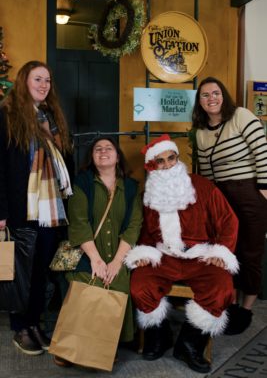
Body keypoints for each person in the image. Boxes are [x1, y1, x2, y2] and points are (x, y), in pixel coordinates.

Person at [125, 134, 239, 374]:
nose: (167, 165)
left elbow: (229, 221)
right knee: (139, 285)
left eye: (171, 158)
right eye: (160, 161)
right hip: (164, 257)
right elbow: (145, 232)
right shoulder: (149, 195)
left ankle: (189, 344)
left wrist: (222, 251)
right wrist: (144, 253)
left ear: (178, 158)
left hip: (200, 256)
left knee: (221, 288)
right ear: (152, 166)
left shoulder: (202, 186)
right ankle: (159, 335)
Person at [0, 60, 73, 356]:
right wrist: (1, 212)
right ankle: (20, 327)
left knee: (41, 269)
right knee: (21, 272)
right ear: (23, 82)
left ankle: (34, 323)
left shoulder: (49, 116)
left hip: (49, 208)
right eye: (37, 79)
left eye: (48, 80)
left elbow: (61, 160)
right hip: (20, 206)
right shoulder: (6, 115)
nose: (44, 85)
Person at [53, 136, 143, 367]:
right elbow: (79, 223)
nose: (103, 152)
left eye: (108, 148)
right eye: (97, 149)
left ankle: (106, 344)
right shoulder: (82, 183)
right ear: (91, 157)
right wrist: (96, 259)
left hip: (119, 254)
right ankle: (73, 345)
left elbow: (134, 225)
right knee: (87, 281)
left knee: (117, 282)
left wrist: (115, 263)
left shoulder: (131, 187)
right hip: (87, 251)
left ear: (117, 155)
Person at [192, 76, 267, 335]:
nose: (211, 98)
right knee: (226, 251)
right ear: (199, 101)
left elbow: (262, 151)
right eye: (205, 95)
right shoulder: (201, 132)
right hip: (221, 197)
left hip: (248, 192)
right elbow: (205, 173)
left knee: (250, 252)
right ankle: (231, 303)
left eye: (215, 93)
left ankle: (246, 308)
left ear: (223, 95)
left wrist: (264, 189)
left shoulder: (242, 116)